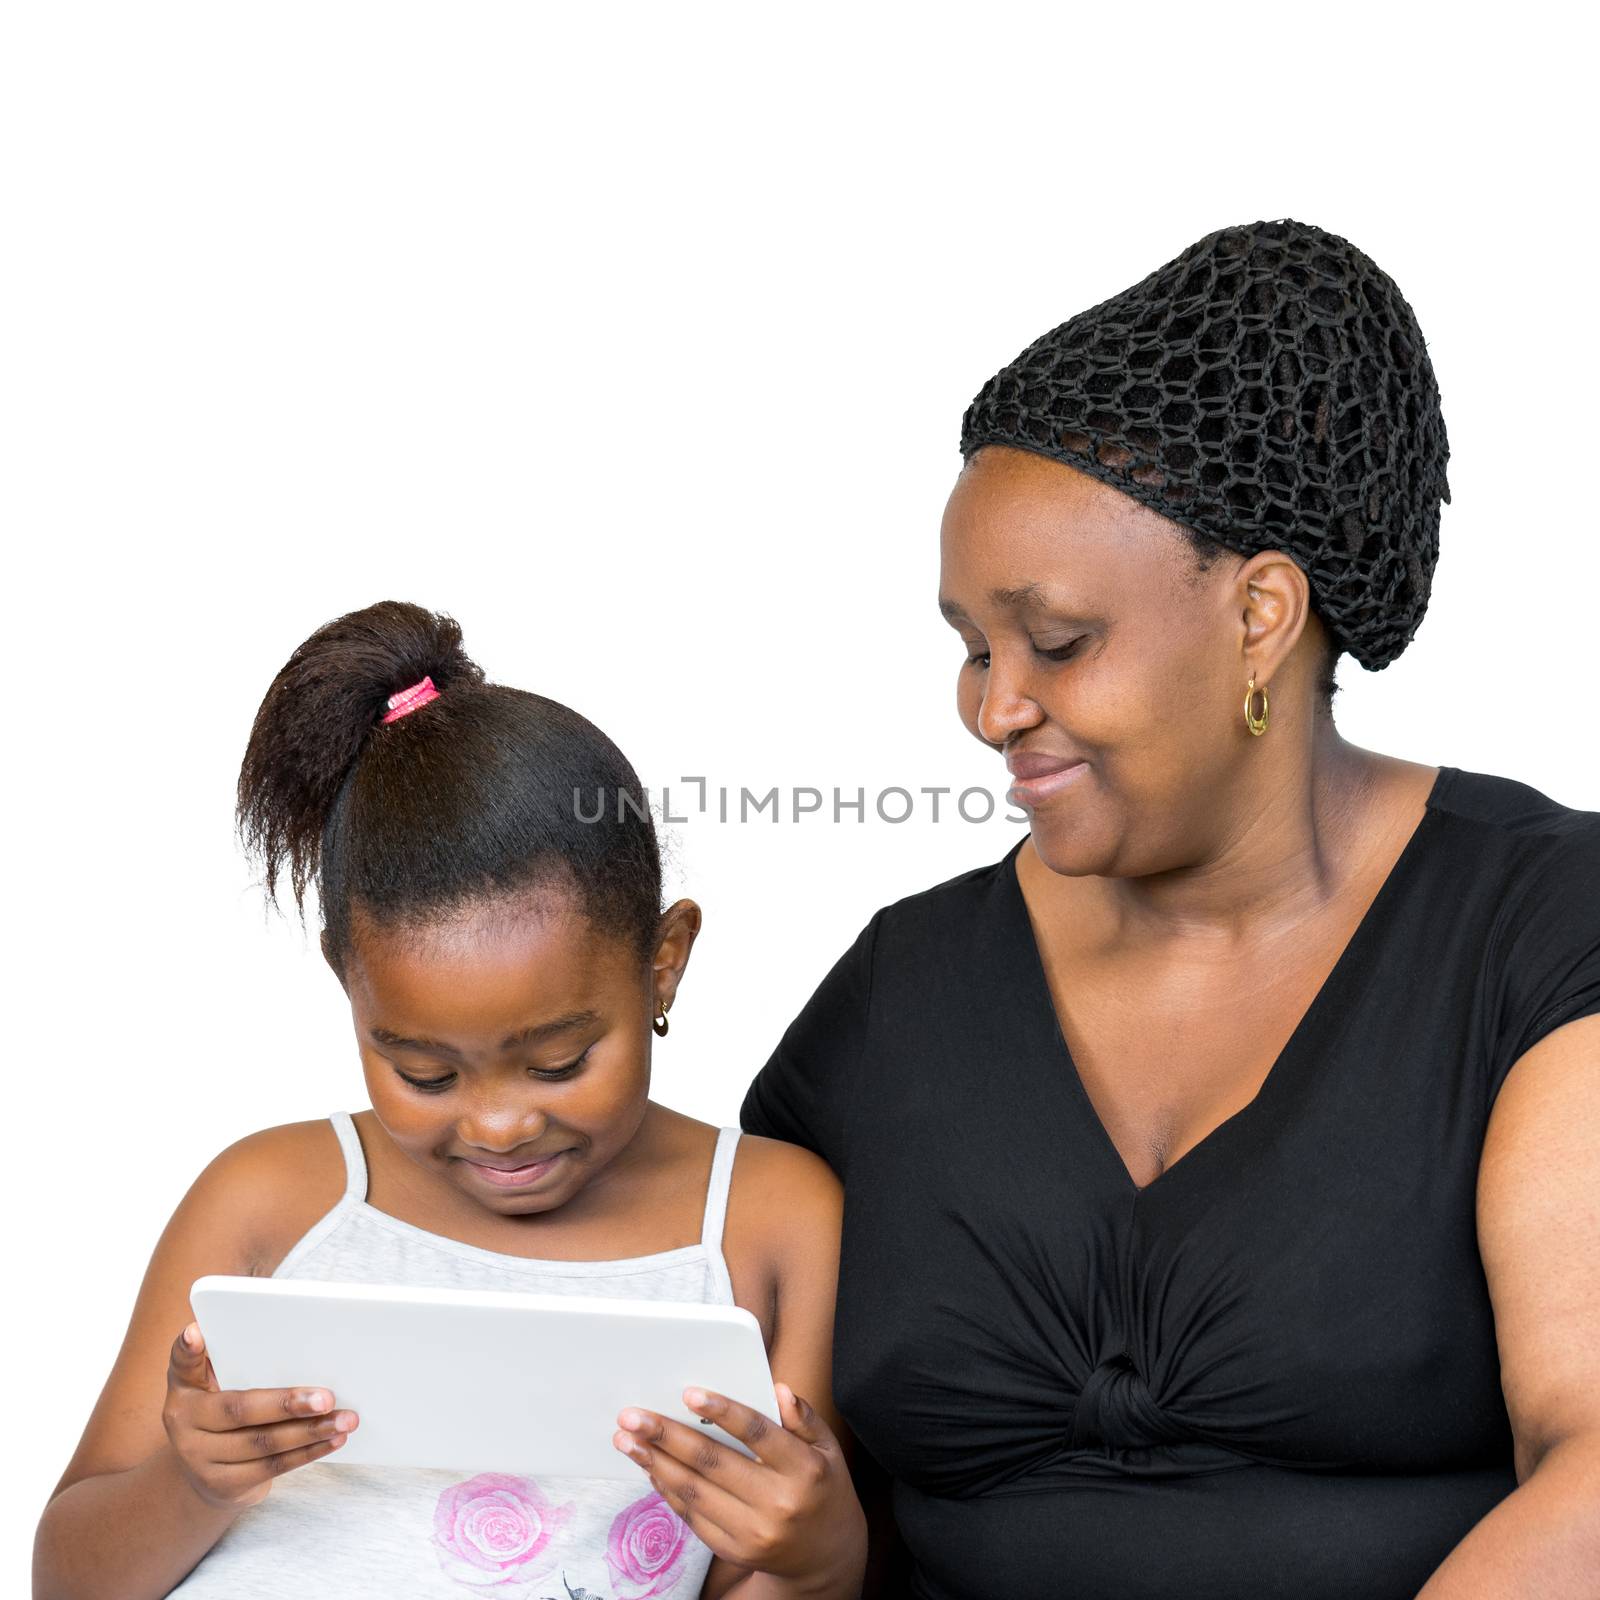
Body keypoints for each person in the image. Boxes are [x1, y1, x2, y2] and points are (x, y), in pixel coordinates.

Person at [740, 219, 1600, 1598]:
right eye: (971, 648)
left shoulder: (1541, 931)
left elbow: (1594, 1474)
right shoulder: (900, 994)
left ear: (1262, 614)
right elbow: (770, 1492)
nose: (992, 708)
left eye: (1059, 643)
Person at [35, 601, 867, 1600]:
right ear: (351, 988)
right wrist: (192, 1482)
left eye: (559, 1059)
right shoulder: (271, 1197)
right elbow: (66, 1580)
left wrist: (816, 1553)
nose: (498, 1123)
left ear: (663, 962)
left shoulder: (770, 1219)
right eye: (423, 1073)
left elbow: (776, 1571)